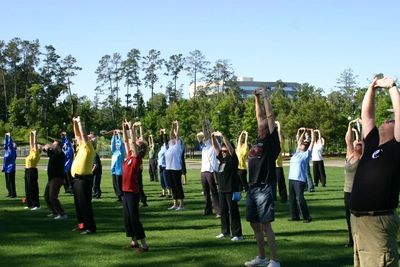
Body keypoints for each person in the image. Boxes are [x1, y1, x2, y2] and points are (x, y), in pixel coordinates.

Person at [350, 76, 400, 267]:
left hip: (377, 220)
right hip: (359, 221)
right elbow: (367, 116)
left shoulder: (396, 148)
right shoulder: (372, 144)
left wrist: (392, 87)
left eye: (393, 120)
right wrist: (371, 88)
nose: (388, 120)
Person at [244, 88, 281, 267]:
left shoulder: (272, 141)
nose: (259, 124)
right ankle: (261, 257)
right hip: (252, 187)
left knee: (266, 225)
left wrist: (265, 97)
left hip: (265, 187)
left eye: (263, 124)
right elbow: (259, 115)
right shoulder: (258, 139)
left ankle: (275, 260)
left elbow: (269, 116)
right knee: (254, 224)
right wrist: (256, 99)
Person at [121, 121, 149, 253]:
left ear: (140, 149)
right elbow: (127, 142)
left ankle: (144, 245)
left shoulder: (137, 159)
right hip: (125, 191)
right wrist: (124, 127)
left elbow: (131, 142)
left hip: (133, 192)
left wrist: (131, 128)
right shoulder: (129, 156)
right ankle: (134, 241)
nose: (134, 143)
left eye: (137, 144)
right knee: (127, 218)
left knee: (134, 218)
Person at [211, 131, 243, 241]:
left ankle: (237, 234)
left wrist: (223, 136)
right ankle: (225, 232)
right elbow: (216, 148)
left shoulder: (233, 160)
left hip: (231, 189)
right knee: (223, 212)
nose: (223, 152)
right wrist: (213, 137)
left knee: (233, 211)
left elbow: (230, 148)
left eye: (225, 151)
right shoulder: (222, 159)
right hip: (222, 189)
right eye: (223, 151)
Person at [70, 116, 96, 234]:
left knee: (85, 205)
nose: (87, 137)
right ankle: (81, 226)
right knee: (78, 206)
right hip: (76, 180)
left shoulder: (89, 148)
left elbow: (83, 136)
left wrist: (80, 122)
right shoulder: (81, 147)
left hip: (83, 180)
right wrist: (74, 122)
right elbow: (77, 135)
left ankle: (90, 228)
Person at [287, 127, 314, 223]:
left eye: (303, 144)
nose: (301, 144)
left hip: (300, 180)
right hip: (291, 179)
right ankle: (295, 216)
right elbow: (299, 141)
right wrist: (304, 131)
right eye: (301, 143)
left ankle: (307, 217)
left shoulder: (306, 154)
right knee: (292, 198)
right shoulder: (297, 152)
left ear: (306, 147)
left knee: (300, 198)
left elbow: (312, 142)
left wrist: (311, 132)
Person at [344, 118, 363, 248]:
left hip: (359, 191)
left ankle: (361, 240)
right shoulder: (350, 155)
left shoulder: (363, 157)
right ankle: (351, 240)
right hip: (347, 191)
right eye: (355, 143)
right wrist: (350, 125)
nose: (356, 145)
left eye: (359, 144)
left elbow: (366, 140)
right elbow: (348, 140)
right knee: (348, 217)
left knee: (359, 217)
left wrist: (363, 124)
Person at [197, 119, 220, 217]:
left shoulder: (215, 145)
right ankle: (208, 209)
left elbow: (210, 134)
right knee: (206, 192)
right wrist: (203, 125)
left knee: (213, 192)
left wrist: (209, 126)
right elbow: (205, 135)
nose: (205, 138)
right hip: (203, 170)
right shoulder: (205, 146)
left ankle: (218, 211)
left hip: (211, 171)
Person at [43, 140, 67, 219]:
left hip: (57, 178)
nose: (53, 145)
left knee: (52, 197)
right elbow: (44, 150)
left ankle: (62, 214)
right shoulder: (53, 153)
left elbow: (57, 150)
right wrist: (46, 148)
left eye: (55, 144)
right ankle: (55, 212)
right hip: (51, 178)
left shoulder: (60, 154)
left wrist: (50, 147)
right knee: (46, 196)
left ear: (59, 146)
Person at [165, 120, 185, 211]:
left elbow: (177, 135)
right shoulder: (169, 147)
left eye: (174, 138)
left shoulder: (178, 146)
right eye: (171, 138)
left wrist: (177, 125)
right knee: (173, 187)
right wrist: (172, 126)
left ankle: (181, 204)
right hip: (169, 169)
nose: (172, 139)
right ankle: (175, 204)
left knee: (178, 187)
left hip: (176, 169)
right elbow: (171, 134)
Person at [24, 130, 41, 210]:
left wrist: (35, 135)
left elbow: (34, 144)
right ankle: (29, 204)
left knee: (33, 188)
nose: (33, 147)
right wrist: (30, 135)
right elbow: (31, 144)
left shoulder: (36, 154)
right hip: (27, 171)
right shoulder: (32, 152)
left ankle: (36, 205)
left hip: (32, 171)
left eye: (35, 147)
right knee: (27, 188)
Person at [275, 121, 288, 203]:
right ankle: (273, 197)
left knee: (280, 183)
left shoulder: (280, 142)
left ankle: (283, 197)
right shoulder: (274, 142)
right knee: (272, 183)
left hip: (278, 166)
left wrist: (278, 124)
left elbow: (279, 133)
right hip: (272, 166)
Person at [111, 129, 125, 202]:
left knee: (119, 184)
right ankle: (118, 196)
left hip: (119, 170)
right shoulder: (114, 151)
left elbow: (121, 143)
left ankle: (122, 196)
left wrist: (119, 135)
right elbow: (113, 145)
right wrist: (114, 135)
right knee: (115, 184)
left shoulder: (122, 151)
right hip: (114, 169)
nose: (116, 145)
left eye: (117, 144)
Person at [3, 132, 17, 198]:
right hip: (6, 168)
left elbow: (9, 143)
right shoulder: (7, 150)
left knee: (11, 182)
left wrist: (9, 136)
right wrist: (5, 136)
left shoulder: (12, 150)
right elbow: (5, 144)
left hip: (11, 168)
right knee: (7, 182)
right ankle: (9, 192)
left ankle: (13, 193)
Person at [158, 129, 171, 198]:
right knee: (162, 180)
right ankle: (163, 192)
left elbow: (165, 140)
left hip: (165, 166)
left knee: (166, 180)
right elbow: (161, 141)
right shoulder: (162, 148)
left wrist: (165, 133)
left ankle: (169, 193)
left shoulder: (166, 148)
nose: (163, 143)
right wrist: (160, 133)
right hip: (160, 166)